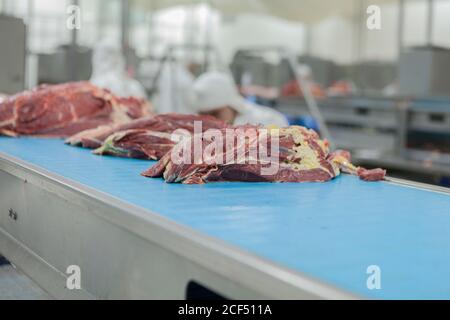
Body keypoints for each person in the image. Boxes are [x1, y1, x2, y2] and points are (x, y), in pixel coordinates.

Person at [189, 72, 288, 127]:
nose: (210, 122)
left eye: (215, 114)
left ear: (232, 104)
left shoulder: (270, 120)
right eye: (202, 116)